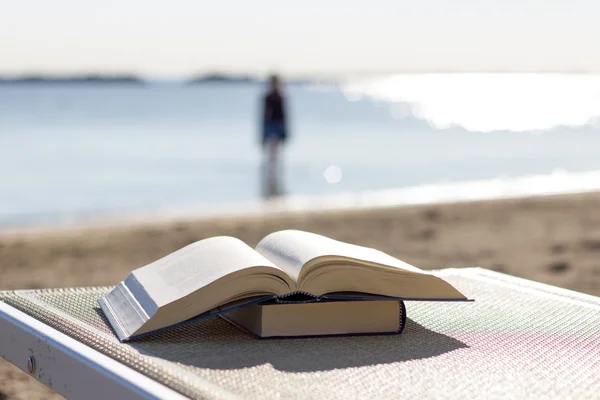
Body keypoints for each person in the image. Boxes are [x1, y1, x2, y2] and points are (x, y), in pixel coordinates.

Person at [261, 74, 288, 197]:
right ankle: (271, 179)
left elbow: (284, 116)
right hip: (270, 126)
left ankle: (274, 178)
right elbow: (264, 116)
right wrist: (263, 134)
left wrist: (285, 132)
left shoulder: (281, 97)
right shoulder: (268, 97)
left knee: (276, 154)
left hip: (277, 126)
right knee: (271, 154)